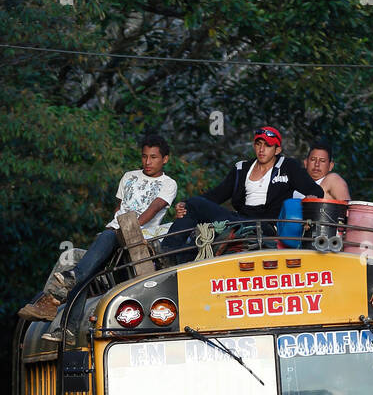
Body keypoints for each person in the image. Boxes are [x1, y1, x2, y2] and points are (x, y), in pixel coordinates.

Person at [19, 135, 177, 321]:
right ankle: (65, 323)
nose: (147, 162)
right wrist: (116, 225)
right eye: (144, 156)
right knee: (76, 261)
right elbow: (119, 207)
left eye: (153, 157)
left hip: (136, 236)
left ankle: (61, 289)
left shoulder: (169, 184)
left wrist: (127, 229)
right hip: (112, 233)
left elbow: (154, 208)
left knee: (83, 267)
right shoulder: (129, 176)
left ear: (165, 159)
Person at [159, 126, 322, 264]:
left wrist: (310, 200)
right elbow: (216, 195)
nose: (262, 149)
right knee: (193, 204)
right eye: (258, 144)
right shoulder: (241, 168)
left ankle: (170, 253)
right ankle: (166, 253)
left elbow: (316, 191)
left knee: (220, 223)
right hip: (238, 219)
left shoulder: (288, 166)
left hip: (266, 225)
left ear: (277, 149)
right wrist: (186, 204)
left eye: (268, 145)